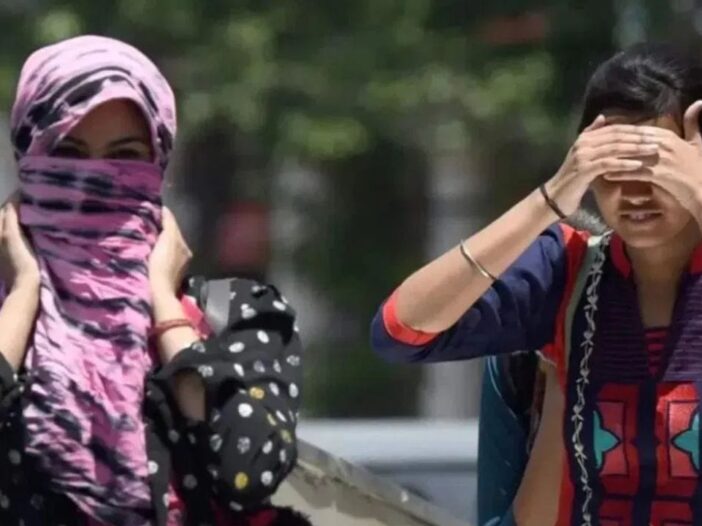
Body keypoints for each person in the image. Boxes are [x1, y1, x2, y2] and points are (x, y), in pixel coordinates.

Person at [371, 42, 702, 525]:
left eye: (657, 166)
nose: (634, 192)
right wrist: (551, 197)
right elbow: (400, 332)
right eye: (611, 167)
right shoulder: (567, 270)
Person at [0, 35, 308, 526]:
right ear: (27, 159)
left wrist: (164, 304)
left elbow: (248, 472)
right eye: (69, 153)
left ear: (157, 164)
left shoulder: (237, 314)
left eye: (123, 156)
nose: (94, 179)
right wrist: (22, 296)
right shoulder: (9, 320)